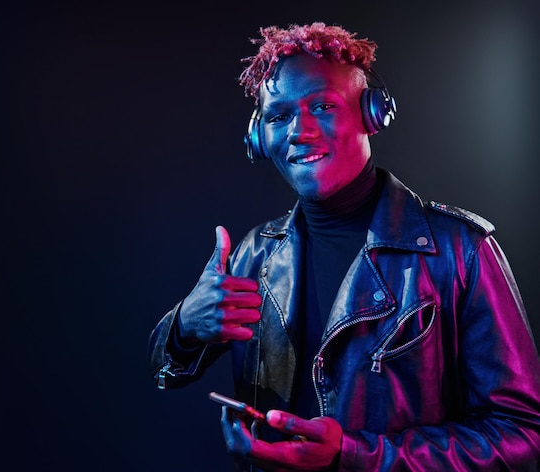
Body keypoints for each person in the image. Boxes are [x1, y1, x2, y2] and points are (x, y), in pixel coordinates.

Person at [147, 22, 540, 471]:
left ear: (371, 114)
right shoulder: (254, 253)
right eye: (278, 116)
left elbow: (523, 436)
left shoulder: (459, 251)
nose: (300, 130)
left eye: (322, 106)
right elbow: (163, 370)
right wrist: (184, 327)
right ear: (258, 139)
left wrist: (353, 456)